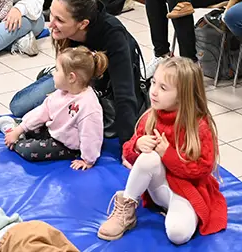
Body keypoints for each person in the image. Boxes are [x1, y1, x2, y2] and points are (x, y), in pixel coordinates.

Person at [97, 57, 226, 245]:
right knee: (148, 158)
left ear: (182, 95)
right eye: (154, 83)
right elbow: (129, 155)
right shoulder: (150, 117)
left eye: (163, 88)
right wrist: (137, 145)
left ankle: (178, 212)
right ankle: (127, 204)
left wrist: (168, 155)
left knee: (178, 234)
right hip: (158, 188)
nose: (154, 91)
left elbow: (202, 169)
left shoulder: (198, 126)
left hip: (186, 191)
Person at [8, 0, 141, 148]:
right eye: (52, 14)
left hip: (101, 88)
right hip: (73, 78)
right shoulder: (69, 30)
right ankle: (54, 73)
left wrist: (128, 146)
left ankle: (55, 76)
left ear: (83, 24)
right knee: (18, 106)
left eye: (60, 20)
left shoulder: (113, 36)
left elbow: (124, 94)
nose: (51, 24)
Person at [0, 46, 105, 170]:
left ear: (71, 78)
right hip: (53, 131)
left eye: (57, 70)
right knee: (30, 126)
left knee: (29, 151)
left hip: (67, 146)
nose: (53, 74)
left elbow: (91, 135)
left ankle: (8, 128)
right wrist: (19, 130)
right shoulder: (62, 92)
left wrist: (88, 160)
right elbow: (42, 112)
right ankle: (7, 125)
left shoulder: (88, 106)